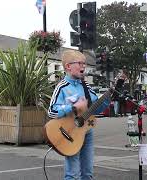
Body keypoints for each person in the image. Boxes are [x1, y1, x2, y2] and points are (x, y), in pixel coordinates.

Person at [48, 50, 110, 180]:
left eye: (84, 63)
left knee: (88, 173)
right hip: (70, 134)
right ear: (68, 66)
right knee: (73, 174)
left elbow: (96, 109)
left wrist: (108, 98)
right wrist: (73, 106)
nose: (83, 66)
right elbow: (52, 111)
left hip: (87, 132)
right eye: (80, 63)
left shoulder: (86, 85)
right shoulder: (62, 87)